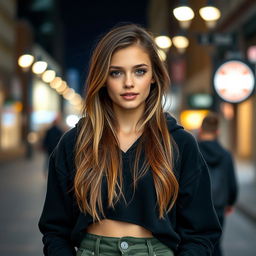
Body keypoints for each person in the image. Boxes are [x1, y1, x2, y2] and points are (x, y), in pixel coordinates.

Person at [39, 24, 221, 256]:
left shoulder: (180, 144)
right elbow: (54, 229)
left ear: (154, 76)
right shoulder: (75, 142)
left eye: (139, 71)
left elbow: (201, 232)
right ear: (103, 78)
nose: (128, 83)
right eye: (116, 72)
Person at [198, 112, 238, 256]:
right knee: (215, 243)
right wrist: (230, 202)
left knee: (197, 243)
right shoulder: (226, 155)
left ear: (201, 130)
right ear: (217, 132)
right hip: (219, 205)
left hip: (197, 205)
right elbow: (232, 183)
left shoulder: (194, 151)